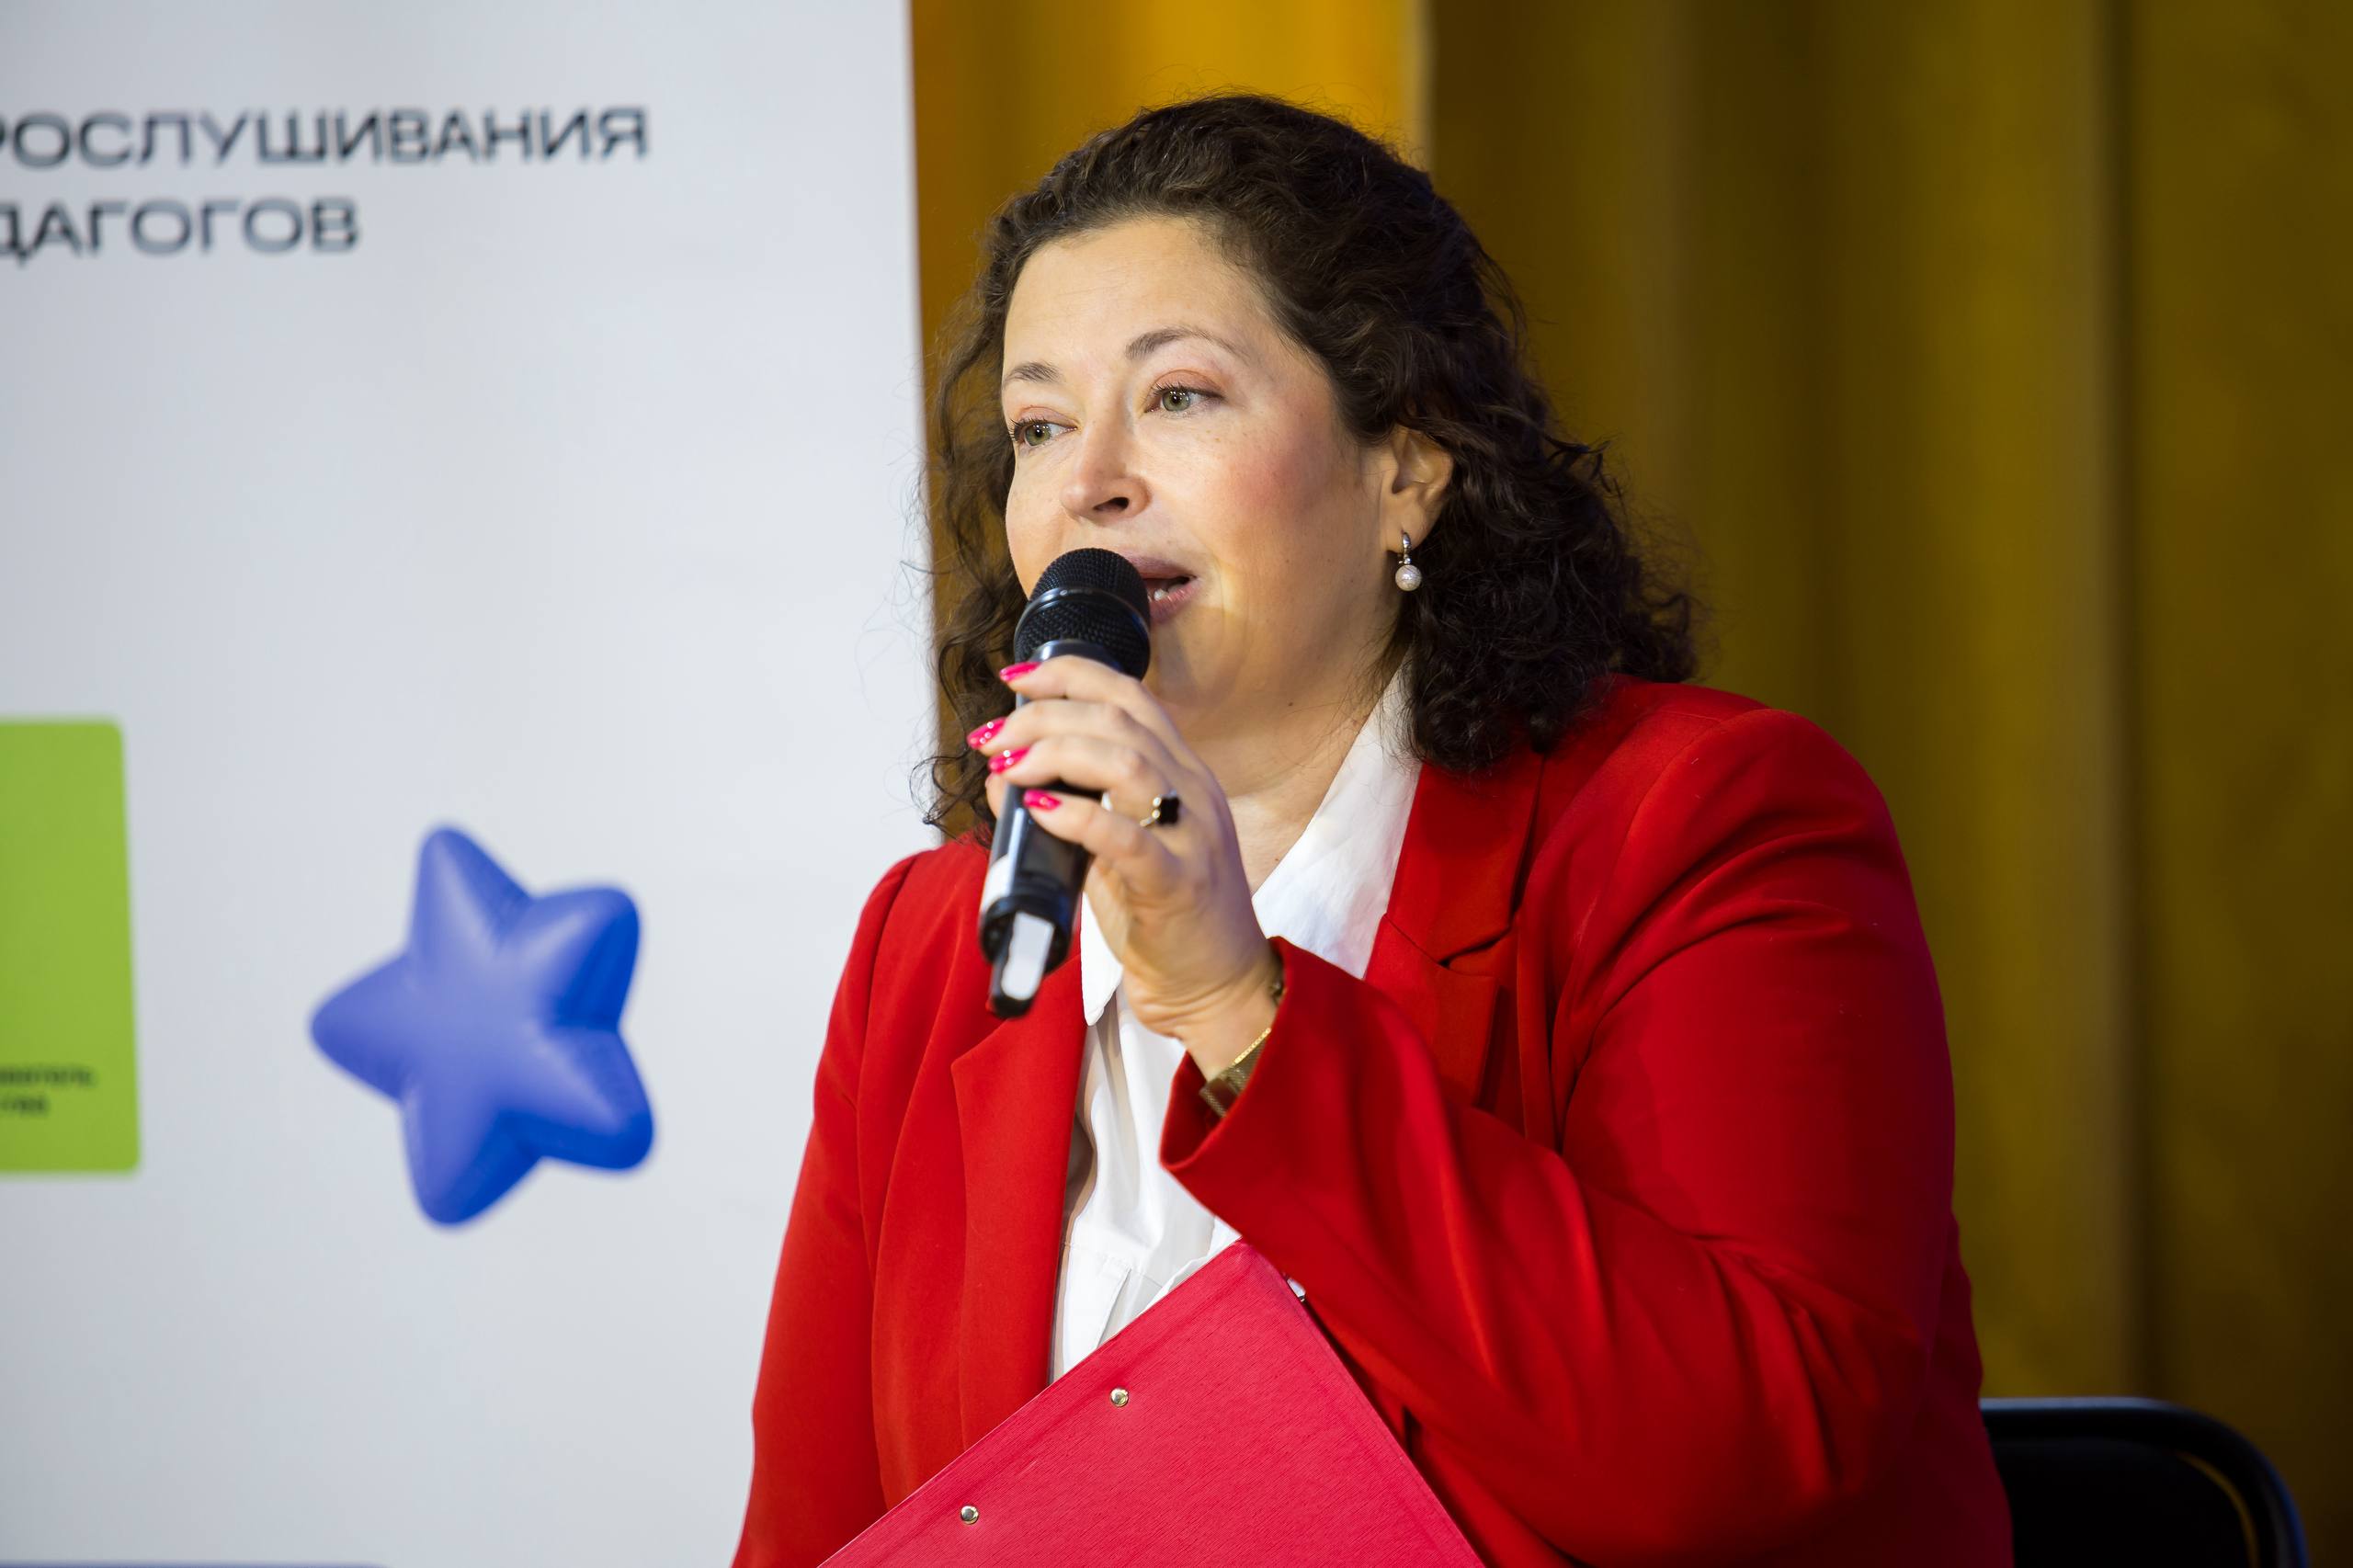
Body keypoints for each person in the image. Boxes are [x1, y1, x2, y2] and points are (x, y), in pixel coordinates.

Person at [732, 94, 2011, 1567]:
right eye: (1038, 424)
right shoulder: (932, 945)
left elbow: (1754, 1450)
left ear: (1406, 465)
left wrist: (1239, 1007)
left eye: (1179, 396)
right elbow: (820, 1536)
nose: (1089, 480)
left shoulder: (1703, 825)